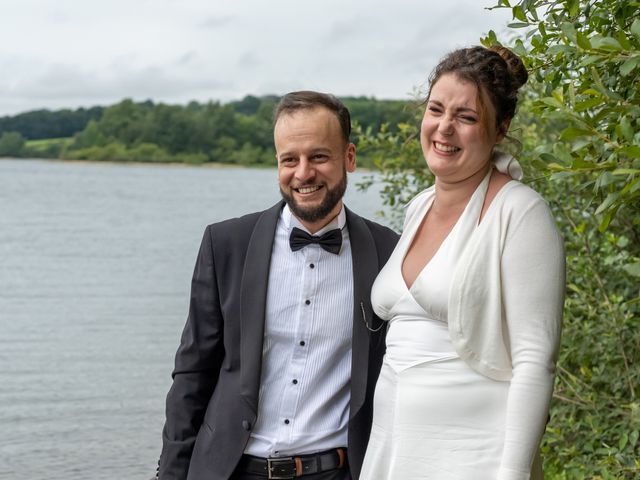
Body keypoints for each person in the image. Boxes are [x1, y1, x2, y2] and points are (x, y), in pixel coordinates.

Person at [157, 91, 399, 480]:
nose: (303, 173)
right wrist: (170, 473)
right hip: (230, 470)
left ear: (349, 158)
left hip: (337, 471)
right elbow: (192, 374)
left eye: (319, 156)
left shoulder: (390, 253)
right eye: (290, 159)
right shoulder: (225, 244)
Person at [359, 46, 565, 480]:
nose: (444, 128)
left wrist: (512, 473)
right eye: (436, 109)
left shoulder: (520, 212)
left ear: (500, 129)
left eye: (466, 117)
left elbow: (535, 359)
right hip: (394, 451)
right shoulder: (418, 207)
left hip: (473, 457)